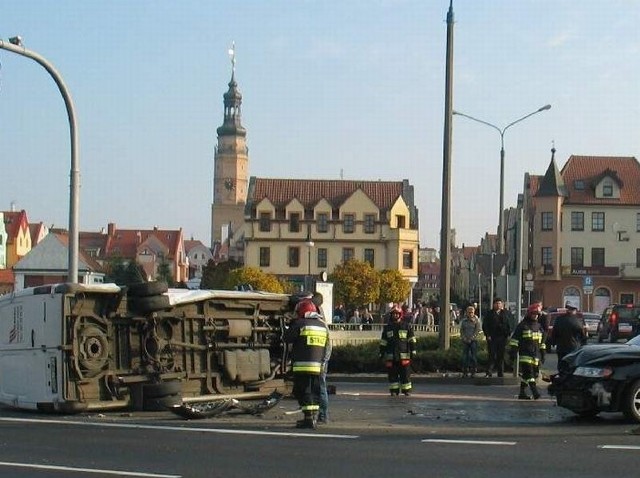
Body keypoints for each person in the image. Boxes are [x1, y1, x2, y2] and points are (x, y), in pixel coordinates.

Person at [285, 298, 330, 429]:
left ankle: (308, 419)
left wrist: (291, 324)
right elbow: (327, 347)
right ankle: (313, 418)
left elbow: (287, 338)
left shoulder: (300, 323)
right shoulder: (322, 326)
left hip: (302, 366)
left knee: (302, 391)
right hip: (317, 367)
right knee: (315, 392)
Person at [508, 304, 546, 399]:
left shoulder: (539, 326)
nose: (535, 315)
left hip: (535, 355)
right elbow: (514, 340)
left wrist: (543, 353)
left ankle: (522, 393)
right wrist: (513, 351)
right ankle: (535, 392)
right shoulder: (522, 325)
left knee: (527, 375)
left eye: (537, 314)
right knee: (529, 374)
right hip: (525, 354)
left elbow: (542, 342)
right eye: (533, 313)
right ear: (529, 314)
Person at [379, 305, 417, 396]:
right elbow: (383, 342)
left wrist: (413, 350)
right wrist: (381, 352)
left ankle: (406, 391)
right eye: (393, 314)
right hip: (391, 356)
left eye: (397, 314)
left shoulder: (406, 326)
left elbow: (412, 339)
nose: (395, 315)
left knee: (405, 375)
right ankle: (394, 391)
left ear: (400, 315)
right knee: (392, 375)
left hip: (404, 356)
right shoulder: (388, 328)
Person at [311, 292, 332, 423]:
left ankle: (323, 415)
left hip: (319, 362)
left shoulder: (319, 323)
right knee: (319, 388)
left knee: (320, 388)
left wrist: (323, 362)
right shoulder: (321, 322)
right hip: (319, 361)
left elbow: (328, 346)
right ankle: (320, 415)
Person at [482, 297, 514, 377]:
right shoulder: (489, 314)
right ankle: (489, 372)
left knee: (501, 355)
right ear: (493, 305)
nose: (498, 305)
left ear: (502, 304)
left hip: (502, 337)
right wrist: (487, 335)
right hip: (492, 337)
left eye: (499, 303)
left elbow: (511, 323)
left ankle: (500, 372)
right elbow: (485, 325)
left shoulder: (506, 313)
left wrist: (508, 333)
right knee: (492, 355)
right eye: (496, 303)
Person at [459, 304, 481, 377]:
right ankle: (465, 372)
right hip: (465, 341)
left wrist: (472, 338)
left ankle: (473, 371)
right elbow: (462, 330)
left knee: (473, 357)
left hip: (473, 341)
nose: (470, 313)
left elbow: (477, 330)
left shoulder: (476, 321)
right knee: (465, 357)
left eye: (472, 312)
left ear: (474, 312)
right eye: (469, 312)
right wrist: (464, 338)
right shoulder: (464, 321)